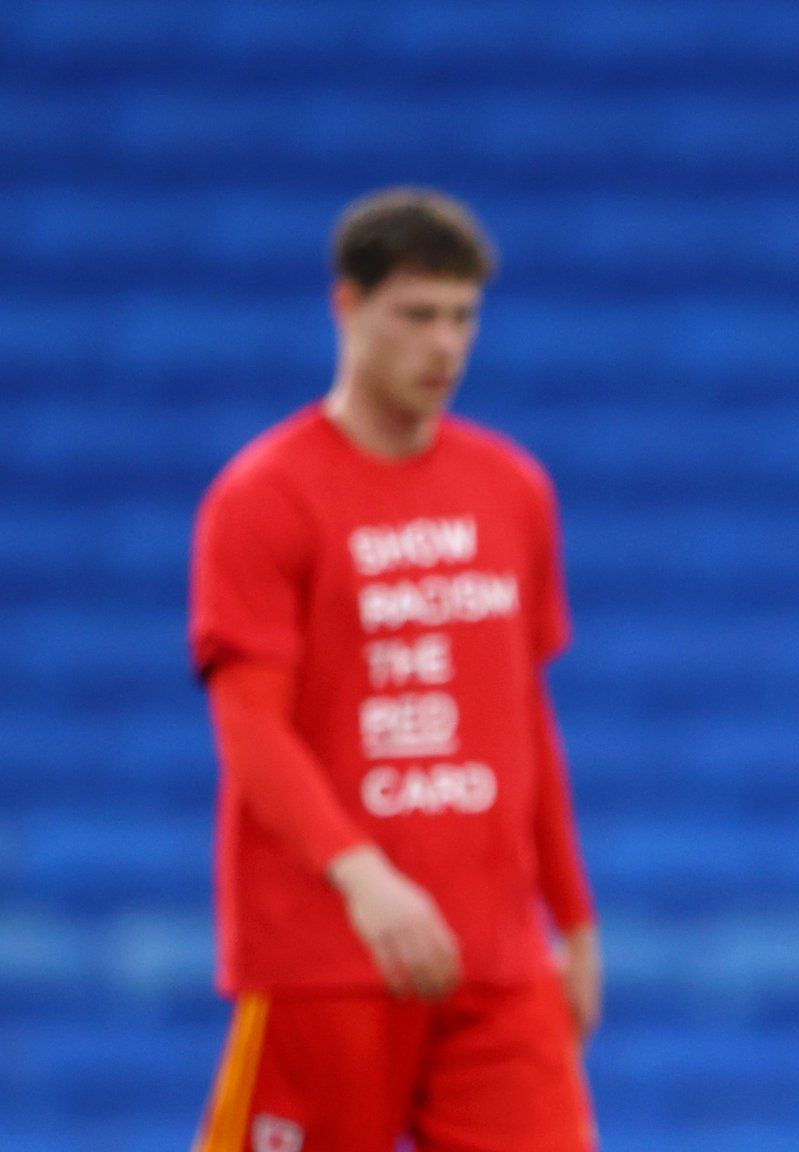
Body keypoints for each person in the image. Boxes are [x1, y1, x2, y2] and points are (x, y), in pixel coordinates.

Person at [188, 189, 600, 1152]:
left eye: (462, 318)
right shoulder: (265, 497)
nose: (444, 345)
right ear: (347, 307)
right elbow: (250, 725)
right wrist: (365, 879)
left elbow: (522, 718)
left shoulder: (511, 489)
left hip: (497, 959)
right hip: (328, 953)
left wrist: (571, 918)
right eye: (417, 315)